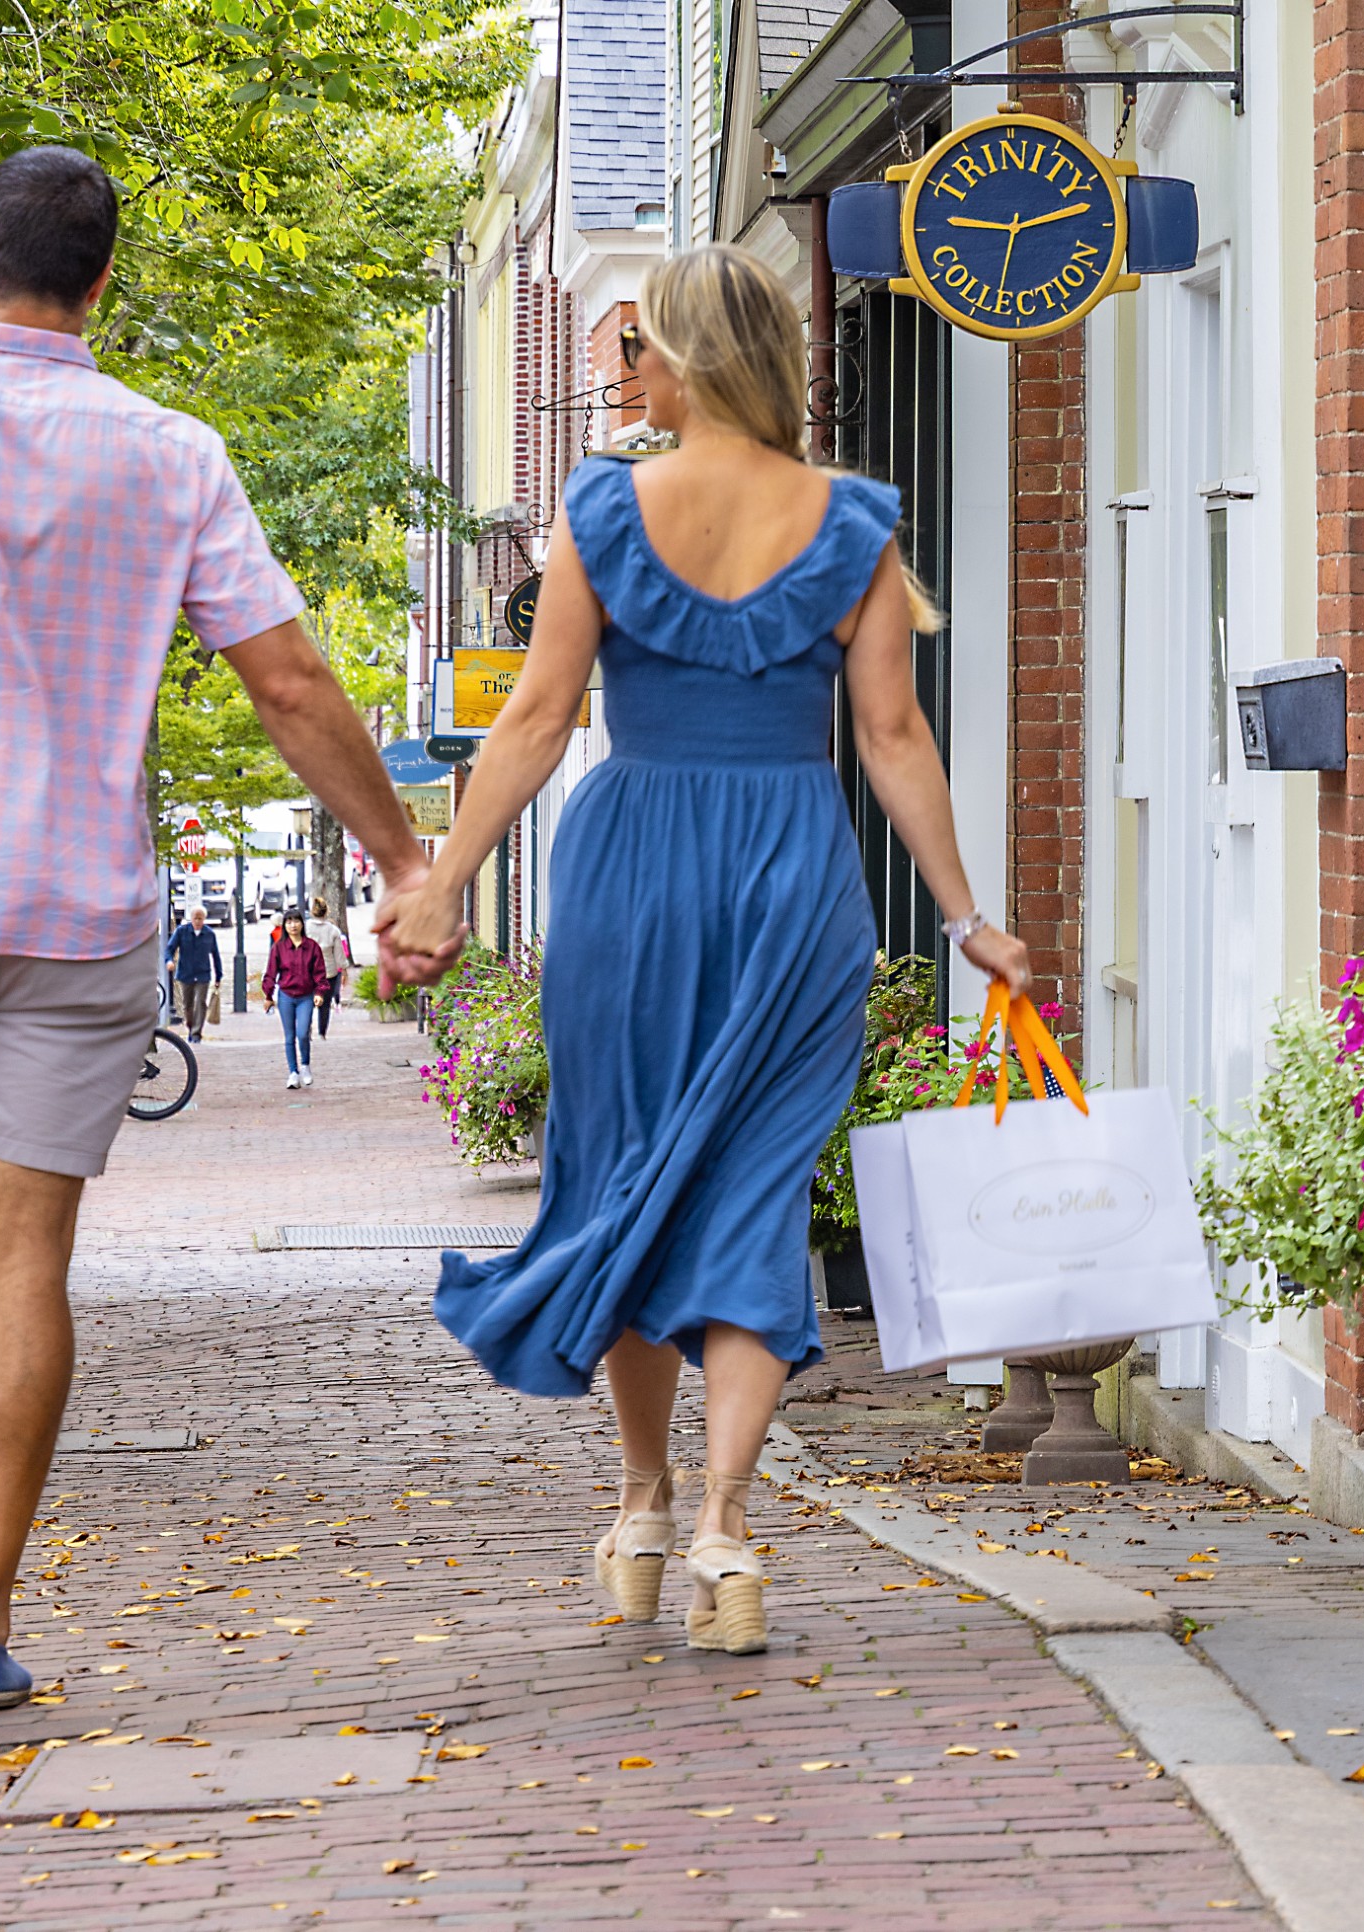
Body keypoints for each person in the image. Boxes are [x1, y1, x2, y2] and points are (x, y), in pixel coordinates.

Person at [0, 145, 445, 1715]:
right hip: (82, 904)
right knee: (27, 1254)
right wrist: (403, 857)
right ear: (105, 282)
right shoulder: (173, 452)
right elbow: (290, 682)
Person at [386, 245, 1029, 1656]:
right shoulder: (851, 522)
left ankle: (639, 1504)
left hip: (631, 877)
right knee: (753, 1197)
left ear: (683, 360)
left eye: (635, 353)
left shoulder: (605, 511)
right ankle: (729, 1531)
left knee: (622, 1183)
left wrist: (446, 882)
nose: (623, 378)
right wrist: (969, 917)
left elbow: (540, 717)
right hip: (795, 877)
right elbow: (893, 738)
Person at [262, 908, 330, 1088]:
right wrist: (268, 995)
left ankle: (305, 1065)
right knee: (289, 1036)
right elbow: (270, 973)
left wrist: (319, 992)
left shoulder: (312, 946)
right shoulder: (279, 947)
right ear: (284, 925)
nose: (293, 925)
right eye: (289, 922)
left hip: (305, 996)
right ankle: (293, 1072)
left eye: (296, 921)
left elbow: (319, 973)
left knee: (302, 1033)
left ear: (302, 923)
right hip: (286, 996)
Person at [163, 903, 222, 1042]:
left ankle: (196, 1033)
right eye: (195, 918)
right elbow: (169, 948)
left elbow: (215, 955)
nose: (197, 921)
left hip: (203, 974)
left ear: (204, 919)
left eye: (200, 919)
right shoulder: (181, 931)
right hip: (185, 973)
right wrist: (169, 961)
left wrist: (218, 975)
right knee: (187, 1004)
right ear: (191, 918)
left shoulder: (209, 934)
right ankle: (191, 1026)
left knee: (201, 1002)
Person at [305, 894, 353, 1037]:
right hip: (328, 973)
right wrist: (344, 970)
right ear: (326, 912)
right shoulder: (333, 930)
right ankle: (322, 1032)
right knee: (324, 1005)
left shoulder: (305, 928)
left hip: (308, 972)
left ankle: (306, 1029)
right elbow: (339, 955)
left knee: (307, 1003)